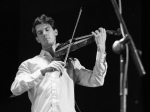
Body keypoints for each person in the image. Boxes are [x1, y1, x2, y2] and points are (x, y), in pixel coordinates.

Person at [10, 14, 108, 112]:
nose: (44, 33)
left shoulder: (71, 62)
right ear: (37, 39)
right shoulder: (29, 64)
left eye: (47, 29)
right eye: (40, 32)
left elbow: (97, 80)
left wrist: (101, 50)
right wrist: (42, 71)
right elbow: (15, 88)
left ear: (55, 32)